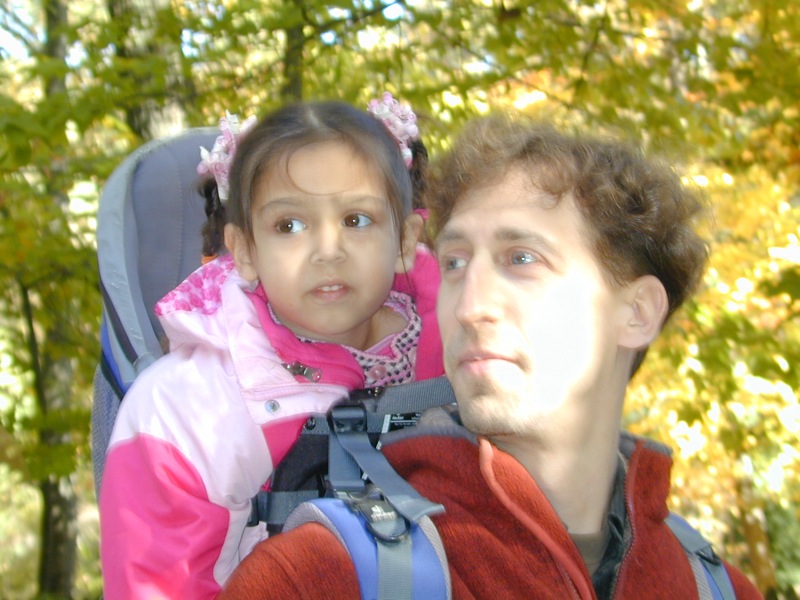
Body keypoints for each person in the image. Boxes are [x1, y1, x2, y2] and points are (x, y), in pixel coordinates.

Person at [217, 113, 763, 599]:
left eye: (521, 258)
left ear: (637, 312)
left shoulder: (716, 588)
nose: (469, 307)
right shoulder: (317, 577)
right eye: (454, 263)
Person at [98, 94, 444, 599]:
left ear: (406, 239)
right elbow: (158, 581)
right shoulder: (189, 410)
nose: (328, 250)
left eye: (356, 219)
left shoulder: (464, 345)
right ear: (244, 251)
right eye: (290, 226)